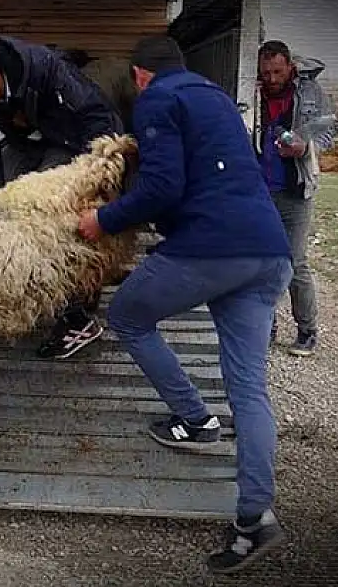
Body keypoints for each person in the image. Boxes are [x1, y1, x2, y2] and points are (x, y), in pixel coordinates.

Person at [77, 35, 294, 574]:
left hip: (211, 247)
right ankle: (254, 520)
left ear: (141, 75)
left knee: (128, 315)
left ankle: (195, 418)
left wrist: (102, 220)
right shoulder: (217, 98)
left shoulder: (156, 99)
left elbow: (163, 187)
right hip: (268, 250)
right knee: (248, 387)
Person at [0, 35, 125, 360]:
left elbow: (100, 122)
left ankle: (79, 315)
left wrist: (86, 179)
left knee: (58, 222)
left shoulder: (51, 73)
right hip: (30, 143)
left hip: (77, 143)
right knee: (10, 203)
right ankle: (26, 282)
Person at [255, 40, 338, 356]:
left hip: (296, 192)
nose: (272, 78)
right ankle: (267, 327)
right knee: (262, 262)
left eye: (277, 71)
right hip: (259, 193)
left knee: (294, 261)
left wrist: (306, 147)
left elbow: (329, 132)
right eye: (266, 72)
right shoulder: (249, 92)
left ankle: (307, 331)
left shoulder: (311, 92)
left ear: (290, 66)